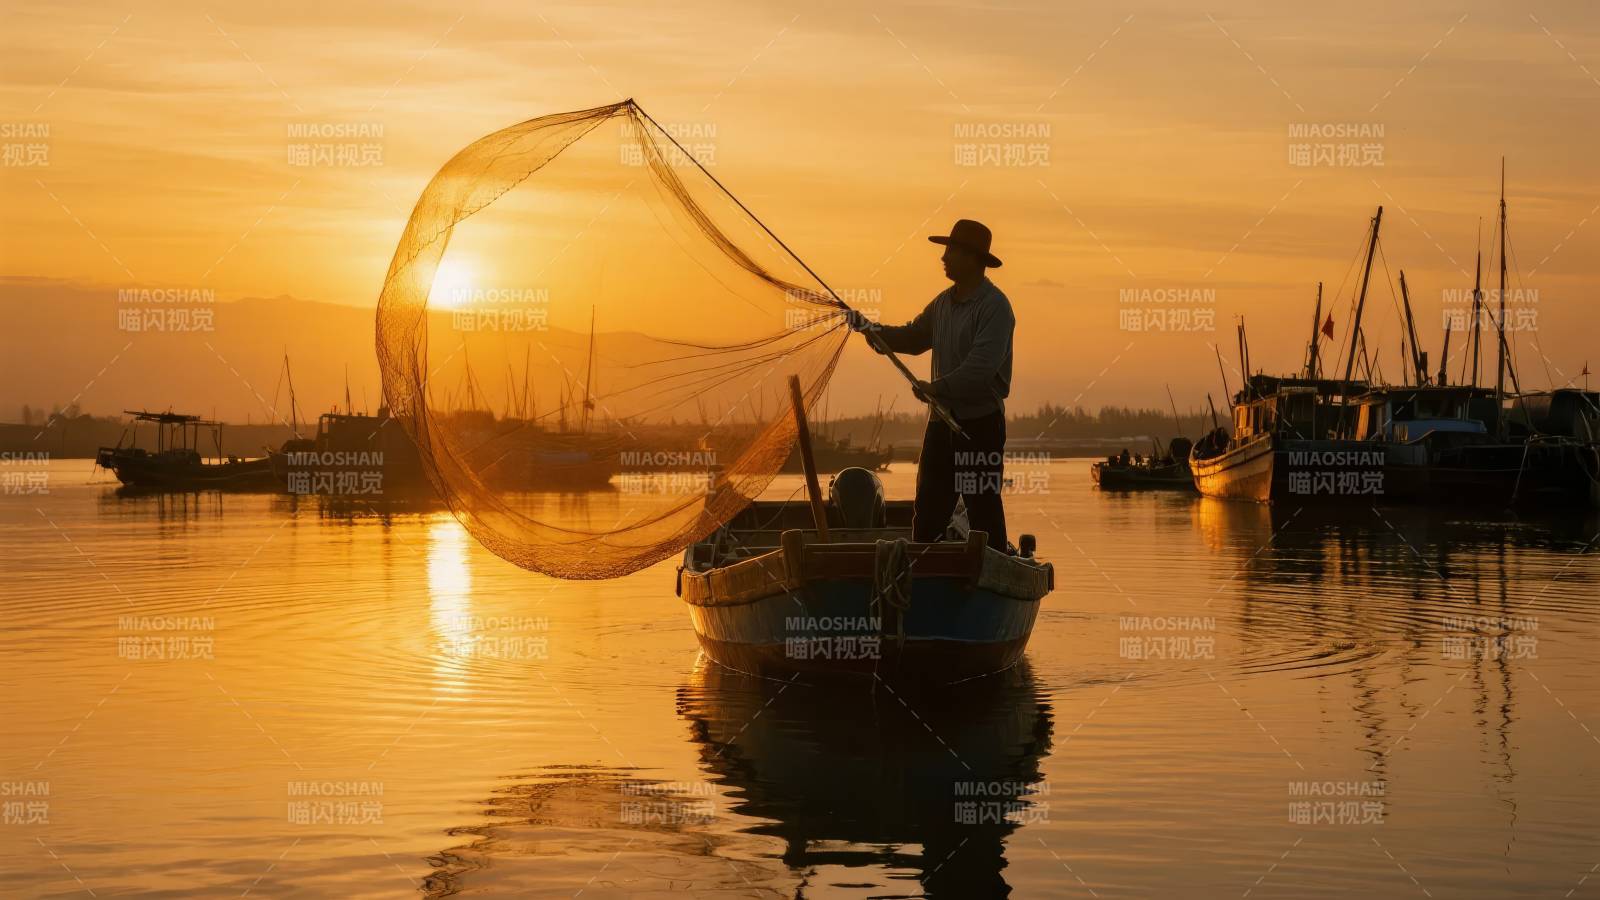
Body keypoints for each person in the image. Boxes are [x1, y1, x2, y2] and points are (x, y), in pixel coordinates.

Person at [847, 219, 1014, 551]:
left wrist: (937, 387)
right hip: (941, 424)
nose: (943, 258)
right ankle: (924, 577)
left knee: (983, 512)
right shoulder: (941, 304)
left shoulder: (995, 307)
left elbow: (980, 368)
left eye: (950, 251)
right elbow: (913, 336)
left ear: (971, 258)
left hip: (979, 427)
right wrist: (873, 331)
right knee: (927, 513)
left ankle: (989, 578)